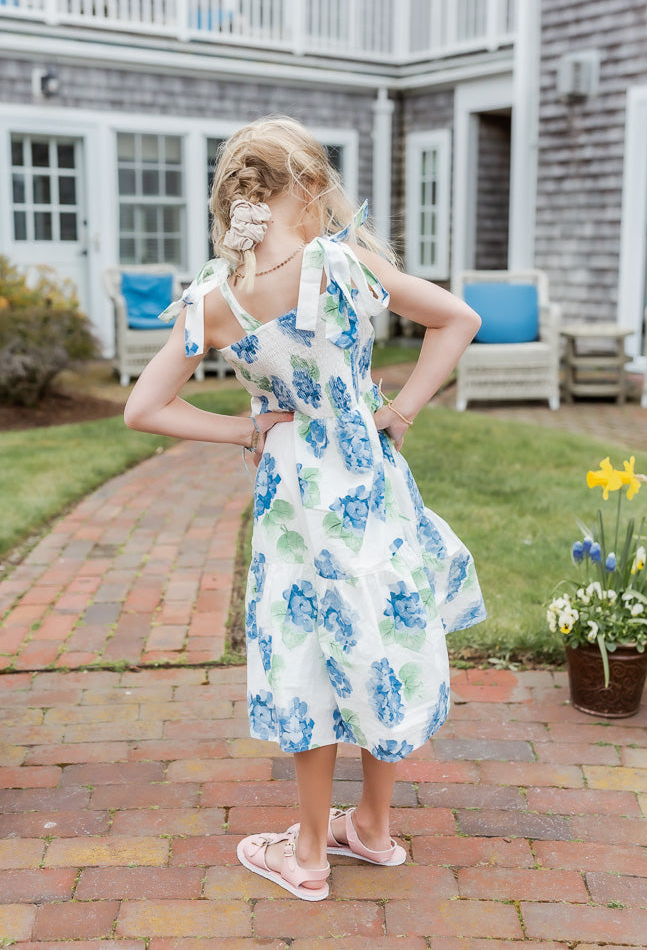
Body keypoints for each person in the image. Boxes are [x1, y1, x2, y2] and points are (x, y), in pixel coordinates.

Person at [124, 115, 486, 901]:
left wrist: (243, 426)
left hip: (295, 500)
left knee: (309, 658)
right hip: (368, 485)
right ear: (313, 190)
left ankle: (313, 851)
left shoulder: (220, 299)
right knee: (378, 634)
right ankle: (377, 828)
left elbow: (143, 407)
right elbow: (458, 319)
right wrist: (402, 411)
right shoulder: (346, 265)